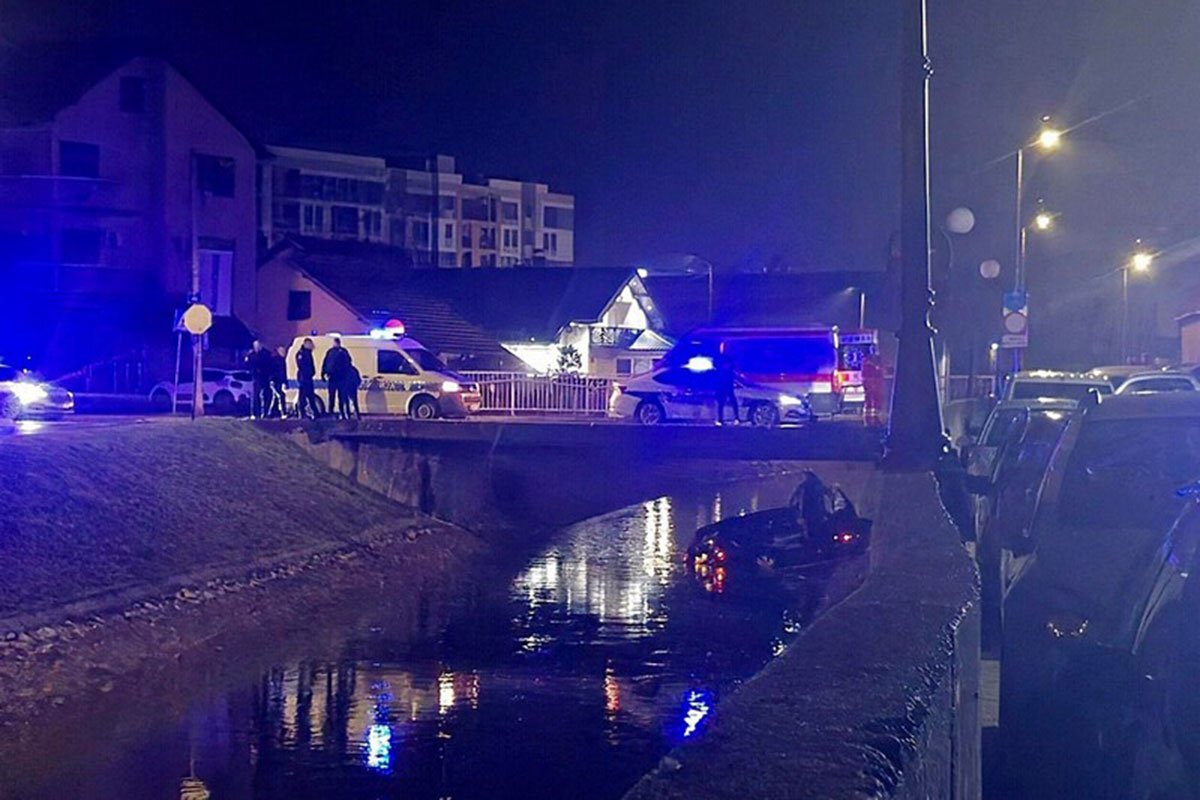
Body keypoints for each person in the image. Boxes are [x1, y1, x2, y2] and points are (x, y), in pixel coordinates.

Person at [321, 337, 350, 418]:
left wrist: (323, 373)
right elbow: (325, 363)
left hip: (340, 378)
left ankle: (341, 412)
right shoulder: (331, 352)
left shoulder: (342, 352)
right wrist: (323, 373)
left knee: (341, 396)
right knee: (332, 396)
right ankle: (332, 411)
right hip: (334, 377)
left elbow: (348, 363)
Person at [245, 340, 273, 419]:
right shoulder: (251, 355)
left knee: (266, 395)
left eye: (258, 345)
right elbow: (247, 364)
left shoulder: (266, 354)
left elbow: (269, 365)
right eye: (255, 346)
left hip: (265, 377)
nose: (257, 347)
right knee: (255, 395)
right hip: (256, 377)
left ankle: (265, 413)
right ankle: (255, 413)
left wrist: (269, 375)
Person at [295, 338, 319, 418]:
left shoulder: (307, 353)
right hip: (304, 378)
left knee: (309, 396)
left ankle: (313, 413)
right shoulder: (302, 353)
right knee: (303, 397)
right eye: (310, 344)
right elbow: (303, 366)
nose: (312, 346)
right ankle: (302, 413)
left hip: (307, 378)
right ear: (306, 344)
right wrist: (309, 373)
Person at [715, 358, 739, 425]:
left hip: (725, 388)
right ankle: (721, 419)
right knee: (727, 402)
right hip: (725, 388)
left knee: (723, 403)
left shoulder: (723, 371)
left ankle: (721, 419)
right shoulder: (727, 371)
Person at [269, 346, 289, 417]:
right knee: (281, 395)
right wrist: (272, 379)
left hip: (278, 381)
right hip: (275, 381)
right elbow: (272, 371)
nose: (284, 353)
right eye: (282, 351)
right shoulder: (275, 360)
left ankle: (270, 413)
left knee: (275, 397)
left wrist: (285, 382)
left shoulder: (282, 360)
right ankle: (283, 412)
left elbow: (284, 373)